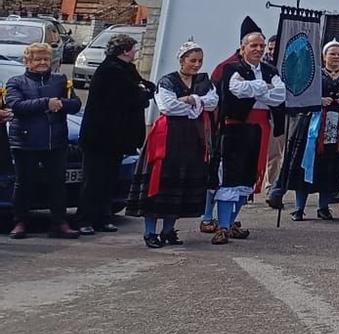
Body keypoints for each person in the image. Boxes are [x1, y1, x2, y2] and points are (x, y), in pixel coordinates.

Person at [212, 18, 285, 245]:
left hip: (261, 128)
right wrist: (263, 88)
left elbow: (280, 94)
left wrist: (256, 89)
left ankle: (232, 222)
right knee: (231, 177)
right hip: (236, 128)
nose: (258, 49)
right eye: (253, 45)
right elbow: (237, 89)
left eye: (261, 46)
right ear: (243, 48)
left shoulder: (270, 69)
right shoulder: (232, 69)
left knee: (250, 177)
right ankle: (222, 225)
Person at [139, 41, 214, 247]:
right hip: (168, 136)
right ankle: (149, 232)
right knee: (159, 183)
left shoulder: (203, 81)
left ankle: (169, 230)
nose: (196, 65)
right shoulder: (167, 81)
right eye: (192, 61)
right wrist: (197, 102)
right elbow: (167, 106)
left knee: (180, 184)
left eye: (200, 61)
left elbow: (213, 101)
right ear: (182, 60)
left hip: (191, 139)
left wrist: (190, 99)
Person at [6, 40, 79, 239]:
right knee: (24, 183)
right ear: (28, 61)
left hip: (55, 141)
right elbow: (16, 105)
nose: (42, 62)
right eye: (37, 59)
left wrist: (60, 103)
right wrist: (46, 103)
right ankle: (20, 221)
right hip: (25, 141)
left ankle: (59, 223)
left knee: (57, 184)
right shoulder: (16, 81)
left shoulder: (61, 80)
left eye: (46, 59)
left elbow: (75, 104)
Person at [78, 32, 149, 233]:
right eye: (134, 48)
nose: (136, 52)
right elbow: (134, 97)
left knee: (109, 180)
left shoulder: (127, 69)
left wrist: (143, 90)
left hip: (115, 137)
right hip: (99, 136)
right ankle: (85, 219)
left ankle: (102, 217)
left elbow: (146, 88)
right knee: (94, 180)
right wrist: (142, 92)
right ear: (125, 51)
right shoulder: (110, 70)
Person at [280, 40, 339, 221]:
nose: (336, 57)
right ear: (324, 56)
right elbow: (299, 93)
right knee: (306, 163)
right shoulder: (313, 75)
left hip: (338, 126)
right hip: (312, 124)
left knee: (330, 166)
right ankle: (299, 208)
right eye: (332, 54)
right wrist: (317, 100)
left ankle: (324, 207)